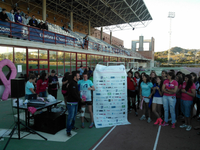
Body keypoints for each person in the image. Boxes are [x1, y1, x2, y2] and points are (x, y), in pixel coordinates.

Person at [66, 71, 83, 136]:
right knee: (70, 117)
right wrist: (80, 99)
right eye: (78, 75)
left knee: (73, 116)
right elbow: (73, 94)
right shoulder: (72, 84)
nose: (79, 76)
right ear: (74, 77)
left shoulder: (75, 83)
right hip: (71, 103)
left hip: (75, 103)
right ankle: (68, 131)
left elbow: (75, 93)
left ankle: (72, 126)